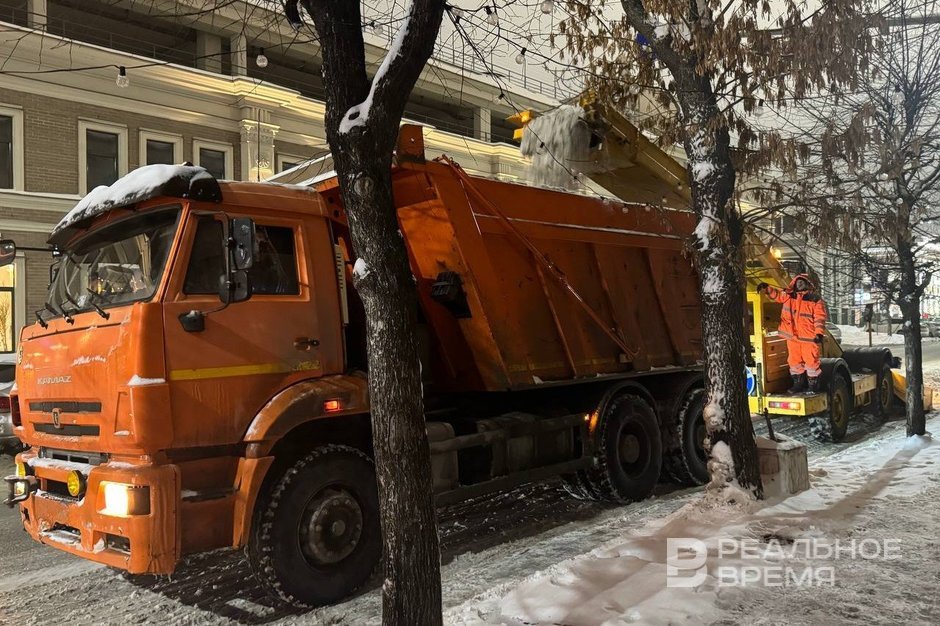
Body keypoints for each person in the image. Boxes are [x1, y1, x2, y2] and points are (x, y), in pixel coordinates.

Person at [757, 274, 828, 394]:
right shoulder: (788, 296)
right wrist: (767, 287)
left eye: (802, 282)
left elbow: (819, 318)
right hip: (793, 337)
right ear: (794, 283)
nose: (799, 285)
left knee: (811, 362)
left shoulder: (815, 300)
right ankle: (798, 385)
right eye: (798, 282)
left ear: (808, 284)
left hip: (808, 338)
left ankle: (812, 387)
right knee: (794, 362)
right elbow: (777, 295)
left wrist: (819, 334)